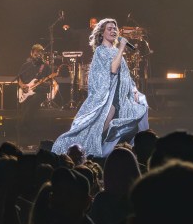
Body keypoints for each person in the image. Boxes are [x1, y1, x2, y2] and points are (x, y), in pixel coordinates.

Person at [51, 18, 149, 156]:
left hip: (122, 93)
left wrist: (133, 88)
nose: (113, 31)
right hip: (108, 94)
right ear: (102, 33)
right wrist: (121, 48)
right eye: (109, 29)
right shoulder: (100, 51)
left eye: (115, 28)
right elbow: (113, 69)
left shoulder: (116, 51)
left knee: (140, 109)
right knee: (106, 117)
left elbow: (125, 73)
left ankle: (139, 151)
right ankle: (91, 148)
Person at [17, 44, 57, 141]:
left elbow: (51, 82)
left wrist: (46, 82)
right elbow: (19, 78)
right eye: (35, 54)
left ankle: (22, 126)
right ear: (31, 54)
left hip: (40, 92)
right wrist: (22, 86)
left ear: (42, 55)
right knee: (25, 106)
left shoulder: (46, 66)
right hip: (25, 92)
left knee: (33, 102)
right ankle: (27, 132)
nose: (37, 56)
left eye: (40, 54)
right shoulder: (25, 66)